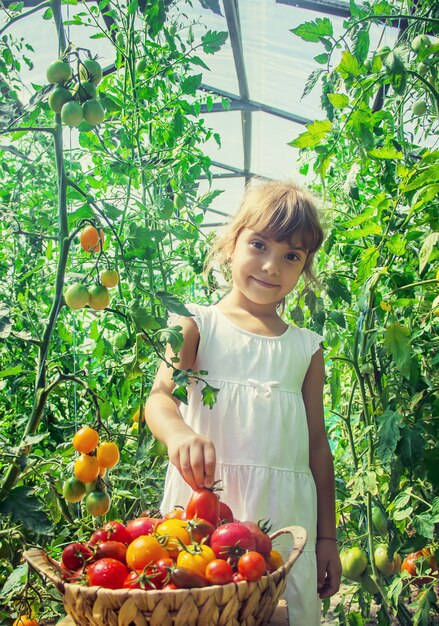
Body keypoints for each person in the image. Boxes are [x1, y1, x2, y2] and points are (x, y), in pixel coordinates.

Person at [144, 178, 342, 625]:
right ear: (231, 244)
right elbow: (159, 398)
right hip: (207, 507)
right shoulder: (196, 324)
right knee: (197, 608)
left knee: (283, 613)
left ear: (306, 266)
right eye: (259, 245)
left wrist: (327, 539)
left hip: (286, 515)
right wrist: (179, 432)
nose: (272, 266)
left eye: (292, 256)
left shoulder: (306, 348)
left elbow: (317, 446)